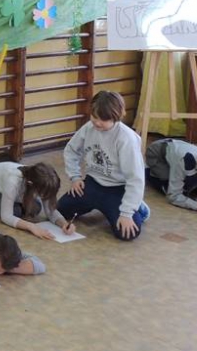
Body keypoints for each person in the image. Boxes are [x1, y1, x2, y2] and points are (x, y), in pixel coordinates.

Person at [56, 90, 150, 241]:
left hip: (117, 188)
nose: (98, 123)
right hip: (93, 183)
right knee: (60, 210)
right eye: (95, 117)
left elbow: (135, 179)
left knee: (127, 233)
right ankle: (104, 204)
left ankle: (138, 207)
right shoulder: (89, 128)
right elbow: (71, 150)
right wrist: (75, 177)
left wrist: (126, 213)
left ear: (116, 117)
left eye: (104, 119)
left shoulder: (126, 139)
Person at [0, 161, 75, 239]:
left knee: (36, 208)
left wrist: (64, 223)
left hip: (11, 190)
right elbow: (6, 216)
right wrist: (31, 227)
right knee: (15, 212)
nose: (44, 197)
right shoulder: (13, 181)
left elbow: (50, 211)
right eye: (42, 194)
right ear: (30, 184)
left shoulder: (38, 180)